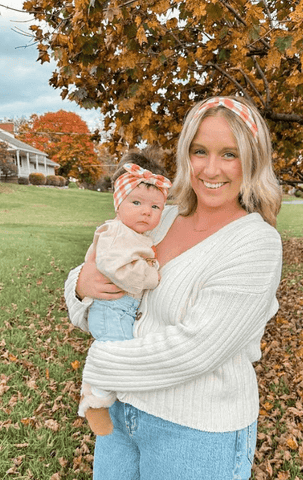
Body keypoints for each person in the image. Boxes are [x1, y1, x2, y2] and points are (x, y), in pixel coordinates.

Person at [65, 95, 282, 480]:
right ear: (185, 154)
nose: (211, 168)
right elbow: (97, 272)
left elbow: (196, 349)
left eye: (229, 154)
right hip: (119, 417)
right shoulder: (157, 218)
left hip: (194, 432)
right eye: (200, 151)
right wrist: (80, 286)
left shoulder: (256, 243)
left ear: (252, 159)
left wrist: (101, 367)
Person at [78, 148, 172, 436]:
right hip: (111, 309)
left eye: (155, 207)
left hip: (121, 309)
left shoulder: (135, 233)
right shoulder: (117, 232)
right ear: (119, 205)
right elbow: (113, 266)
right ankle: (96, 401)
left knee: (112, 352)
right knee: (113, 355)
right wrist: (151, 276)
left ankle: (96, 394)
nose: (146, 211)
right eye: (137, 202)